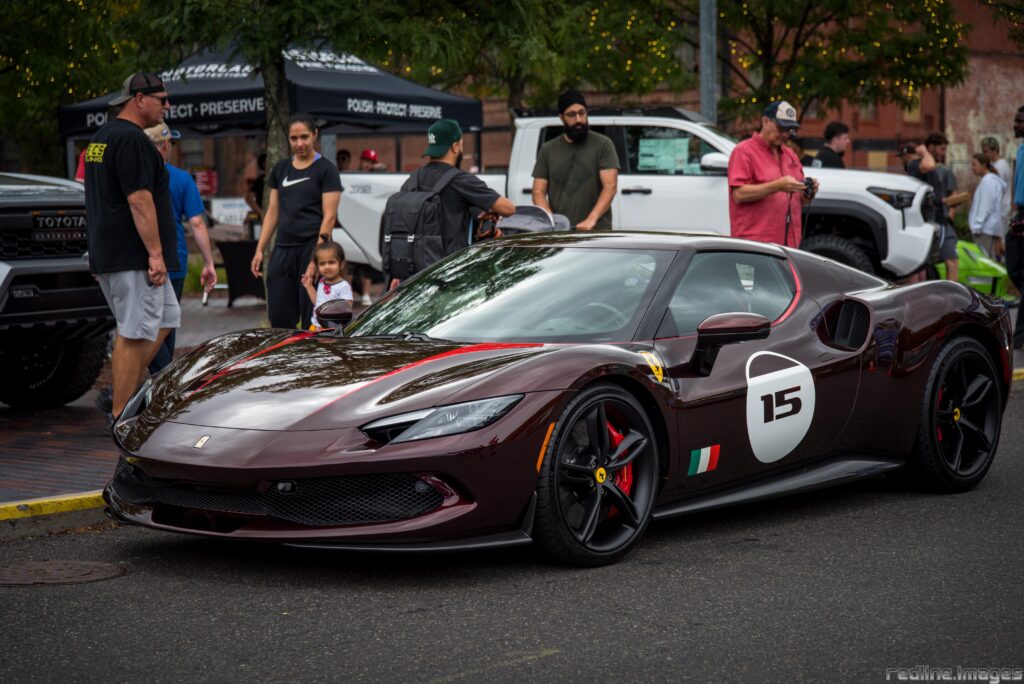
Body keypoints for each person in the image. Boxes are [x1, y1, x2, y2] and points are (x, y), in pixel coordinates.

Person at [83, 72, 179, 425]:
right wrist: (155, 254)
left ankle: (124, 391)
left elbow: (95, 199)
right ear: (140, 99)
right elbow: (139, 200)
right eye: (162, 99)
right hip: (133, 255)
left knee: (168, 318)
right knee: (134, 329)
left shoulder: (101, 138)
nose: (167, 107)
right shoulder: (132, 140)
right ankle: (121, 413)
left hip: (115, 252)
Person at [387, 118, 514, 289]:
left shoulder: (412, 179)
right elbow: (508, 208)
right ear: (455, 146)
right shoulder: (461, 180)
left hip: (415, 274)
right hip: (451, 273)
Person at [250, 113, 342, 329]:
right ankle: (284, 358)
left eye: (304, 137)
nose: (299, 143)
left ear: (314, 135)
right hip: (283, 248)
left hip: (312, 246)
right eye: (294, 138)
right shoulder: (280, 169)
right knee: (280, 317)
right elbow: (273, 211)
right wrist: (260, 248)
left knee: (312, 316)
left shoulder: (327, 170)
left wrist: (316, 259)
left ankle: (313, 358)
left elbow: (329, 217)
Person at [144, 123, 218, 373]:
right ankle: (165, 378)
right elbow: (197, 223)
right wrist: (209, 262)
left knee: (149, 325)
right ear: (165, 145)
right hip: (173, 260)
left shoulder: (135, 175)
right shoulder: (181, 178)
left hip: (142, 261)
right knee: (167, 324)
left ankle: (159, 379)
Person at [727, 100, 818, 247]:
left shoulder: (791, 155)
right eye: (781, 128)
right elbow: (739, 194)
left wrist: (809, 191)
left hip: (789, 245)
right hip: (755, 245)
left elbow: (801, 200)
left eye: (789, 130)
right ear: (765, 121)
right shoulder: (744, 151)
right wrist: (778, 186)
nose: (785, 134)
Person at [531, 89, 619, 230]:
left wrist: (591, 220)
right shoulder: (548, 149)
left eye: (582, 113)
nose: (578, 119)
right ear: (561, 117)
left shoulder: (603, 144)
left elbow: (610, 187)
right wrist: (551, 220)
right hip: (561, 233)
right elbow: (538, 191)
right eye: (572, 114)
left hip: (596, 232)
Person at [907, 133, 958, 281]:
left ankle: (953, 299)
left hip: (942, 220)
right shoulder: (916, 164)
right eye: (941, 149)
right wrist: (923, 151)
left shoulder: (935, 167)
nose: (944, 153)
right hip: (927, 222)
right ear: (931, 148)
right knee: (921, 266)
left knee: (952, 261)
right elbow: (928, 165)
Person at [302, 241, 353, 329]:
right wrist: (309, 287)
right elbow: (318, 303)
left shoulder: (343, 286)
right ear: (317, 267)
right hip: (315, 327)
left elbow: (347, 309)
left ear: (341, 264)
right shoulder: (321, 281)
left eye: (331, 262)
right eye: (322, 263)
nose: (327, 267)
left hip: (332, 330)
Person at [967, 152, 1007, 259]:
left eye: (974, 164)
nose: (972, 168)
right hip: (986, 229)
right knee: (988, 259)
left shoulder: (989, 182)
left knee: (983, 261)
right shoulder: (987, 181)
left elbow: (986, 206)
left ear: (984, 164)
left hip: (984, 229)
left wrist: (977, 226)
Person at [1007, 105, 1024, 349]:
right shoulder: (1020, 151)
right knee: (1013, 268)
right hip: (1019, 216)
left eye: (1019, 121)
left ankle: (1020, 337)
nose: (1015, 124)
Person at [981, 136, 1012, 228]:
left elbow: (994, 190)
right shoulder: (994, 164)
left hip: (1000, 210)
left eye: (986, 151)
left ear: (994, 150)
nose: (984, 154)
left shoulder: (1000, 166)